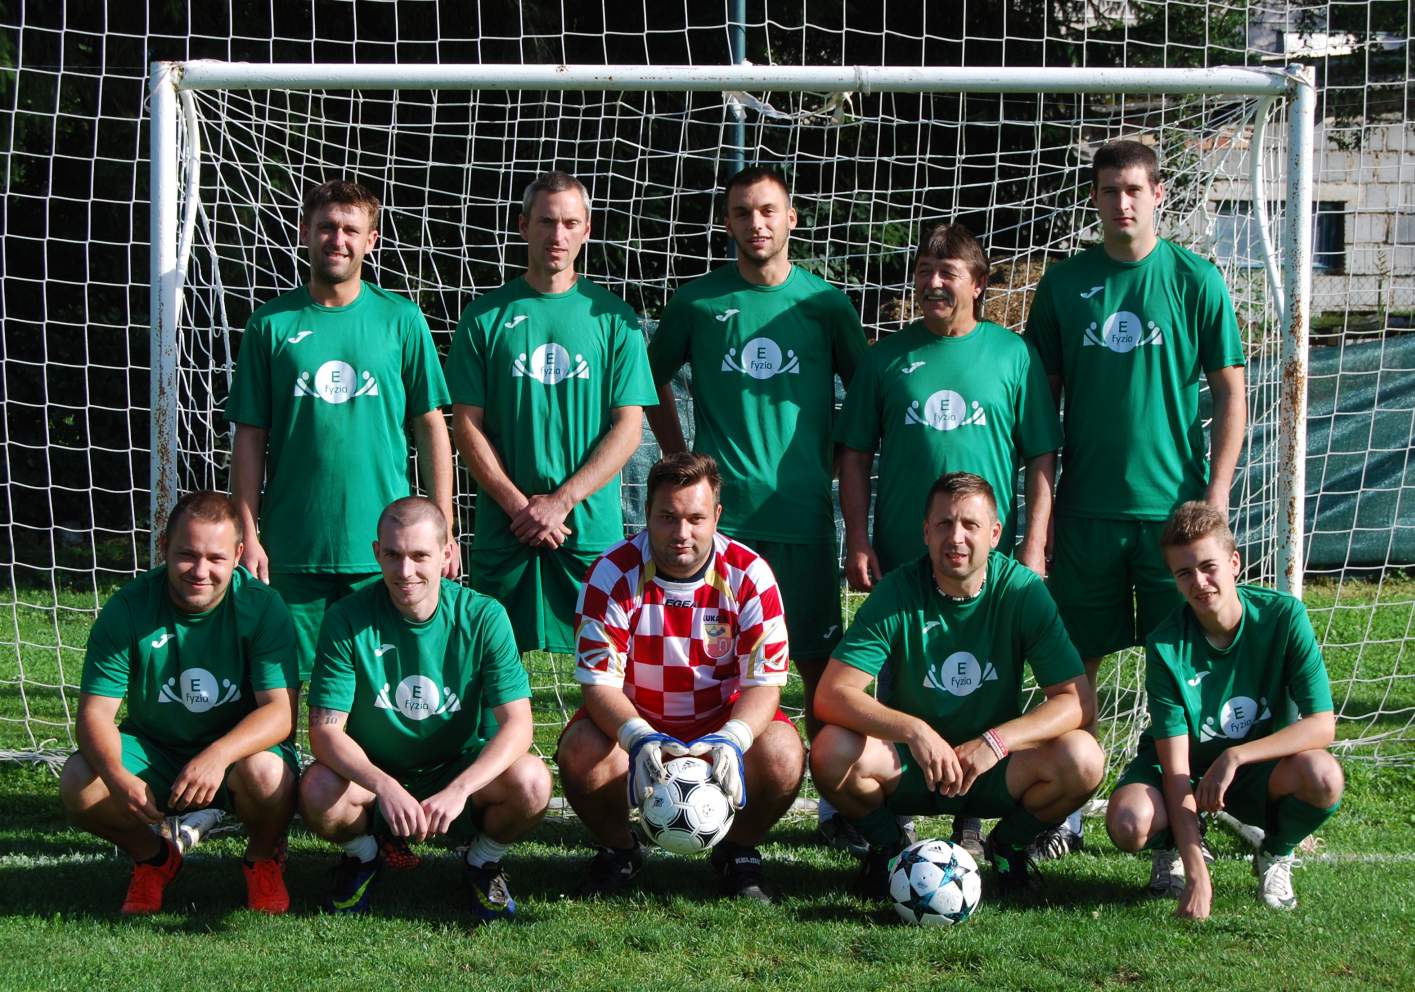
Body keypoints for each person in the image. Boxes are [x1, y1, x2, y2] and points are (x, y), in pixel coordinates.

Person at [1026, 139, 1247, 857]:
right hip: (1085, 515)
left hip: (1172, 521)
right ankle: (1064, 808)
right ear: (1093, 198)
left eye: (1133, 190)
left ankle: (1174, 828)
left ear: (1158, 196)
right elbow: (1040, 413)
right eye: (1108, 190)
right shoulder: (1064, 284)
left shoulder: (1194, 279)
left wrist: (1214, 497)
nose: (1121, 203)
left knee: (1178, 673)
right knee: (1074, 671)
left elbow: (1231, 392)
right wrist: (1041, 519)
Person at [645, 165, 867, 846]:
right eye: (742, 212)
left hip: (801, 517)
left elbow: (866, 399)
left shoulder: (824, 304)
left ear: (791, 218)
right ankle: (690, 790)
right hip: (723, 525)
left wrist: (826, 459)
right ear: (727, 222)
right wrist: (682, 462)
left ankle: (837, 810)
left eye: (768, 210)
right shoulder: (698, 302)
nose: (756, 223)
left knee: (818, 669)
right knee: (712, 664)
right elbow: (647, 379)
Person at [835, 221, 1061, 856]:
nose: (933, 283)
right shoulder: (886, 357)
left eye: (949, 273)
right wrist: (857, 537)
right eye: (925, 272)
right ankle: (896, 811)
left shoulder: (1013, 355)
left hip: (987, 562)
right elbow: (854, 455)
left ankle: (974, 812)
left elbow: (1041, 455)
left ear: (979, 284)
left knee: (987, 679)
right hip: (905, 554)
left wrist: (1033, 544)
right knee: (902, 682)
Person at [811, 473, 1103, 899]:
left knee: (1084, 758)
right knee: (829, 750)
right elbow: (831, 694)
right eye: (944, 524)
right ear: (926, 532)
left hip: (993, 769)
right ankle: (888, 848)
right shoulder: (898, 591)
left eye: (970, 525)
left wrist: (996, 741)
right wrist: (915, 731)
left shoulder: (1022, 592)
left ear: (995, 534)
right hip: (912, 765)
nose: (956, 537)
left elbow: (1076, 701)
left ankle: (1009, 847)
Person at [227, 179, 455, 682]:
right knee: (281, 688)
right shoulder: (270, 324)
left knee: (382, 689)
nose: (338, 239)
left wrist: (444, 528)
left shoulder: (401, 319)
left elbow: (431, 426)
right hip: (291, 548)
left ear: (371, 240)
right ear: (305, 232)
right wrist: (248, 533)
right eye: (327, 227)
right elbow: (250, 436)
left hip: (385, 550)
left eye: (351, 230)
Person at [556, 453, 805, 902]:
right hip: (636, 717)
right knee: (579, 750)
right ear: (646, 513)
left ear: (717, 516)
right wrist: (637, 736)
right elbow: (598, 685)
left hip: (721, 718)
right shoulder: (610, 575)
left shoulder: (750, 576)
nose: (681, 533)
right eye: (667, 517)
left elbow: (764, 684)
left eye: (695, 518)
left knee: (785, 754)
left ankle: (737, 851)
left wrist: (733, 738)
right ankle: (620, 850)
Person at [299, 497, 551, 921]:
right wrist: (385, 787)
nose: (405, 571)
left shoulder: (484, 616)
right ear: (377, 553)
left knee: (533, 781)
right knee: (317, 788)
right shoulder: (346, 618)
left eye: (419, 556)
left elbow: (519, 726)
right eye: (393, 555)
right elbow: (325, 733)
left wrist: (460, 789)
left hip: (455, 771)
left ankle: (482, 861)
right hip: (374, 776)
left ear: (447, 554)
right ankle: (364, 857)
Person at [59, 491, 300, 915]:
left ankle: (262, 857)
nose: (200, 571)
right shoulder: (129, 607)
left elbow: (281, 713)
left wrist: (218, 754)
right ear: (164, 546)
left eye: (215, 558)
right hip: (157, 751)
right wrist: (116, 776)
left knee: (268, 773)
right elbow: (94, 714)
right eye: (187, 554)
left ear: (238, 555)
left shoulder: (262, 607)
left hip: (235, 758)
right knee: (80, 779)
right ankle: (154, 858)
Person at [447, 170, 657, 654]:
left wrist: (560, 502)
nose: (557, 235)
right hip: (507, 525)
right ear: (523, 226)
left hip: (586, 526)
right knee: (488, 667)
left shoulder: (614, 318)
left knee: (607, 665)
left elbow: (629, 428)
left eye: (569, 223)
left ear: (586, 230)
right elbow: (465, 425)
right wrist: (520, 507)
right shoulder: (484, 317)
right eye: (545, 221)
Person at [1106, 501, 1343, 917]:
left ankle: (1276, 852)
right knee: (1128, 821)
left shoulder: (1284, 617)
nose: (1199, 582)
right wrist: (1198, 877)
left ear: (1234, 563)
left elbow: (1322, 725)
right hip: (1184, 772)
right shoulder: (1166, 646)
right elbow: (1176, 772)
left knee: (1323, 776)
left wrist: (1235, 756)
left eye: (1208, 567)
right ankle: (1173, 847)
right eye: (1184, 573)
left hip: (1250, 773)